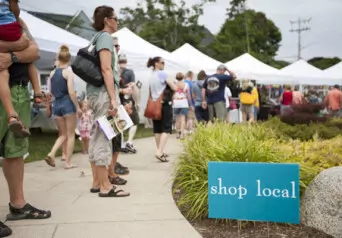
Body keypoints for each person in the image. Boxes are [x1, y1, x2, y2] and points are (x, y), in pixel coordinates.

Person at [0, 19, 51, 238]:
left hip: (19, 89)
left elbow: (34, 51)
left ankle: (18, 205)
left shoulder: (14, 20)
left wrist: (12, 54)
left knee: (16, 150)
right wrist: (19, 46)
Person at [87, 5, 129, 197]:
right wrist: (114, 98)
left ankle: (96, 182)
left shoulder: (94, 38)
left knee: (96, 136)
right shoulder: (104, 38)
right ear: (106, 19)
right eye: (115, 18)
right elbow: (106, 69)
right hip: (104, 93)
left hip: (94, 93)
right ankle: (105, 186)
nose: (117, 21)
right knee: (105, 136)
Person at [0, 0, 42, 138]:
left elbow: (35, 52)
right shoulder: (14, 23)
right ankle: (37, 94)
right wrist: (19, 45)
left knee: (14, 153)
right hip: (13, 90)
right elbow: (28, 47)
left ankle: (12, 114)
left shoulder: (18, 22)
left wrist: (12, 57)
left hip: (16, 89)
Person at [44, 45, 81, 169]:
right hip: (67, 104)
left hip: (56, 104)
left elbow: (50, 92)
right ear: (69, 60)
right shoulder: (68, 72)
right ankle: (68, 163)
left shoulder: (52, 73)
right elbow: (71, 92)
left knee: (62, 134)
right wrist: (78, 107)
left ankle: (51, 153)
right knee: (70, 135)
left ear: (59, 59)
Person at [147, 56, 177, 162]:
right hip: (164, 104)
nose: (164, 64)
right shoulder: (162, 74)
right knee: (166, 128)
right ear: (156, 64)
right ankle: (159, 151)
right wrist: (174, 84)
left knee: (157, 129)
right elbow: (174, 87)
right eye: (162, 62)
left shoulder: (151, 76)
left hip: (154, 104)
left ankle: (159, 149)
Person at [118, 53, 139, 153]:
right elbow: (133, 87)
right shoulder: (130, 72)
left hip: (118, 101)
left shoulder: (115, 71)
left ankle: (121, 144)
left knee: (120, 122)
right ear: (126, 61)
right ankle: (129, 142)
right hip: (128, 101)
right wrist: (137, 101)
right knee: (134, 121)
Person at [173, 72, 191, 139]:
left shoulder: (174, 84)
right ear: (183, 77)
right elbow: (188, 95)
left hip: (176, 102)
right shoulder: (186, 85)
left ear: (176, 77)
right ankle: (182, 135)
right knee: (183, 119)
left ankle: (177, 134)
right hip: (183, 102)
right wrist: (190, 103)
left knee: (177, 119)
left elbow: (172, 94)